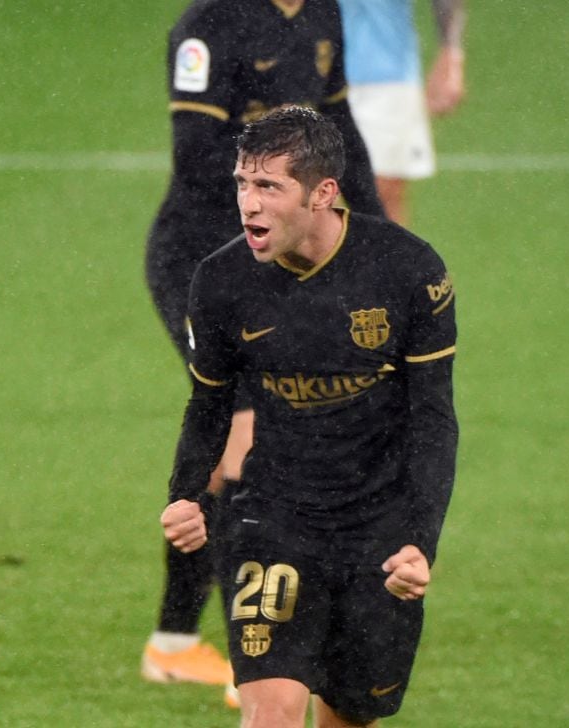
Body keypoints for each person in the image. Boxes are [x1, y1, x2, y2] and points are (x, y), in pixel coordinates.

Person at [160, 105, 457, 728]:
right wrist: (187, 493)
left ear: (323, 193)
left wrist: (418, 542)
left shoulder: (408, 272)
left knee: (351, 714)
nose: (249, 203)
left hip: (377, 527)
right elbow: (209, 401)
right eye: (243, 183)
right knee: (271, 713)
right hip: (272, 515)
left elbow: (433, 419)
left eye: (269, 186)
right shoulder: (220, 280)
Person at [143, 0, 384, 692]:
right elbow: (196, 162)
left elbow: (342, 135)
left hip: (272, 262)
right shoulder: (208, 26)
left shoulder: (323, 14)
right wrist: (291, 181)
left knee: (230, 455)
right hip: (200, 263)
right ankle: (259, 657)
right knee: (247, 443)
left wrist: (379, 237)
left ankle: (172, 642)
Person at [338, 0, 466, 226]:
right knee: (297, 198)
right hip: (302, 73)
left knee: (379, 199)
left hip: (384, 74)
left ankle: (389, 260)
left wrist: (451, 53)